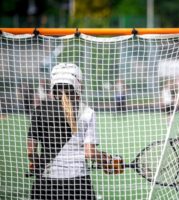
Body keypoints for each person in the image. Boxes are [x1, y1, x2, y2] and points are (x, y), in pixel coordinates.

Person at [27, 63, 124, 200]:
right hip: (78, 184)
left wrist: (36, 162)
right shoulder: (87, 112)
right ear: (78, 84)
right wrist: (107, 159)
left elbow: (31, 152)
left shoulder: (39, 111)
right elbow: (89, 153)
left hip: (45, 184)